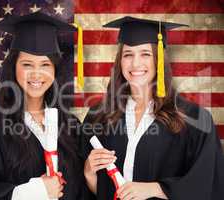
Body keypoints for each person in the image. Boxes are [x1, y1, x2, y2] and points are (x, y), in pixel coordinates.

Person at [80, 16, 224, 200]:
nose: (135, 63)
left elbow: (208, 182)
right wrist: (89, 174)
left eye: (145, 54)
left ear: (159, 60)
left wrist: (157, 189)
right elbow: (90, 192)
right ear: (119, 61)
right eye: (128, 54)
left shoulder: (194, 119)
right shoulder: (98, 116)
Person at [0, 11, 84, 200]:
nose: (37, 74)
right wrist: (34, 192)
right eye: (27, 64)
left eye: (45, 65)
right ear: (13, 68)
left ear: (55, 71)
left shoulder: (72, 128)